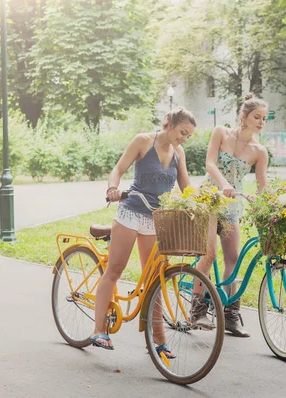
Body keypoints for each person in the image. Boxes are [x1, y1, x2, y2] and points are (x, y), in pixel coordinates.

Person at [89, 107, 196, 358]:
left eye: (189, 135)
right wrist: (113, 188)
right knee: (115, 270)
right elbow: (117, 169)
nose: (184, 138)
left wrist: (201, 200)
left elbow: (186, 186)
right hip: (131, 213)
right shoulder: (143, 141)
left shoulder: (179, 152)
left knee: (155, 279)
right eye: (183, 132)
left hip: (155, 219)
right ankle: (98, 330)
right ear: (169, 124)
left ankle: (158, 341)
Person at [191, 93, 269, 337]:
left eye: (264, 118)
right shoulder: (221, 133)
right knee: (210, 253)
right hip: (209, 200)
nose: (261, 122)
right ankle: (198, 308)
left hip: (232, 205)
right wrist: (224, 184)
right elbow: (210, 164)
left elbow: (261, 185)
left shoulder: (259, 151)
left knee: (233, 258)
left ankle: (230, 315)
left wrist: (268, 203)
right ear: (244, 116)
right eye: (257, 117)